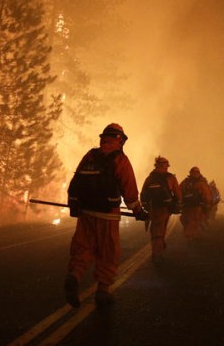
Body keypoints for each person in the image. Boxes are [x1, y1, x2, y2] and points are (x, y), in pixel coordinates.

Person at [64, 123, 148, 308]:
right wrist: (138, 211)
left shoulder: (90, 155)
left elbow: (76, 180)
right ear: (120, 139)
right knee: (108, 252)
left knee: (83, 247)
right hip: (108, 215)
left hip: (86, 212)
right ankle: (102, 291)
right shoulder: (120, 160)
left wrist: (74, 205)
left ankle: (74, 276)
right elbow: (130, 191)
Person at [140, 156, 181, 265]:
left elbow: (143, 194)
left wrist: (146, 207)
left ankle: (158, 251)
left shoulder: (150, 178)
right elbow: (178, 193)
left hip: (154, 209)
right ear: (165, 165)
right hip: (166, 209)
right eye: (166, 166)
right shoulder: (170, 178)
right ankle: (157, 253)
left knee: (157, 230)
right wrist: (178, 204)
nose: (166, 168)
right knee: (159, 231)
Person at [179, 166, 212, 239]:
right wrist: (207, 206)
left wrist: (179, 204)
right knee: (192, 221)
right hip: (194, 207)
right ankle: (191, 236)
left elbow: (179, 193)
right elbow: (207, 195)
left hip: (189, 207)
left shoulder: (186, 182)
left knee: (188, 221)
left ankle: (190, 236)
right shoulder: (201, 183)